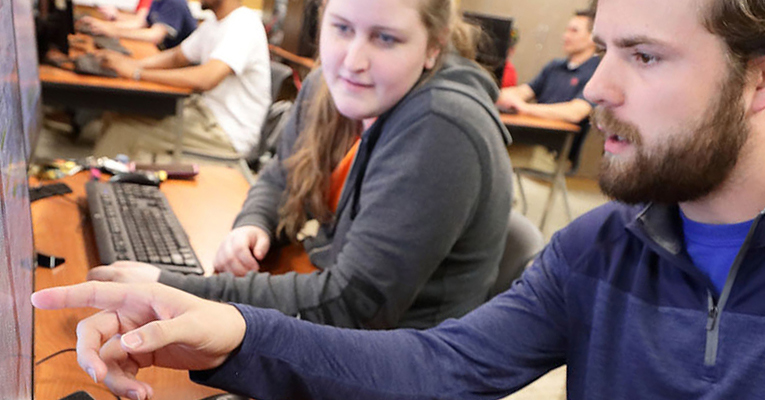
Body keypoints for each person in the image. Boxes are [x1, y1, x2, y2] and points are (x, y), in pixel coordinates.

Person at [37, 0, 765, 398]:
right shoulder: (608, 246)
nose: (594, 88)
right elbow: (440, 364)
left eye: (640, 55)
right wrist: (219, 329)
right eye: (603, 45)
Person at [84, 0, 514, 331]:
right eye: (342, 28)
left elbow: (352, 305)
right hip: (345, 311)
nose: (353, 60)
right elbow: (281, 174)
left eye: (386, 39)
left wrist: (170, 287)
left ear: (433, 47)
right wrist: (254, 223)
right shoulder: (331, 84)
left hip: (403, 355)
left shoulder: (441, 128)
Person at [88, 0, 270, 160]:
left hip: (225, 133)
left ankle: (100, 192)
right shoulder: (215, 23)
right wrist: (132, 64)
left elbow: (207, 78)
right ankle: (103, 184)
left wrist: (137, 73)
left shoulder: (244, 25)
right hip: (203, 114)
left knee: (122, 132)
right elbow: (177, 56)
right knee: (116, 114)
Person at [497, 9, 598, 174]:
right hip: (529, 137)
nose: (566, 36)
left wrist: (524, 108)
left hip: (554, 153)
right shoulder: (555, 67)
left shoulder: (595, 72)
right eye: (566, 30)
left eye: (574, 31)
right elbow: (524, 91)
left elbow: (576, 112)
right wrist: (497, 94)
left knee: (490, 150)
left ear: (593, 37)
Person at [78, 0, 199, 50]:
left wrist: (112, 31)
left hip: (178, 68)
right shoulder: (157, 2)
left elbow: (155, 35)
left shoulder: (174, 2)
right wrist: (104, 26)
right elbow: (139, 23)